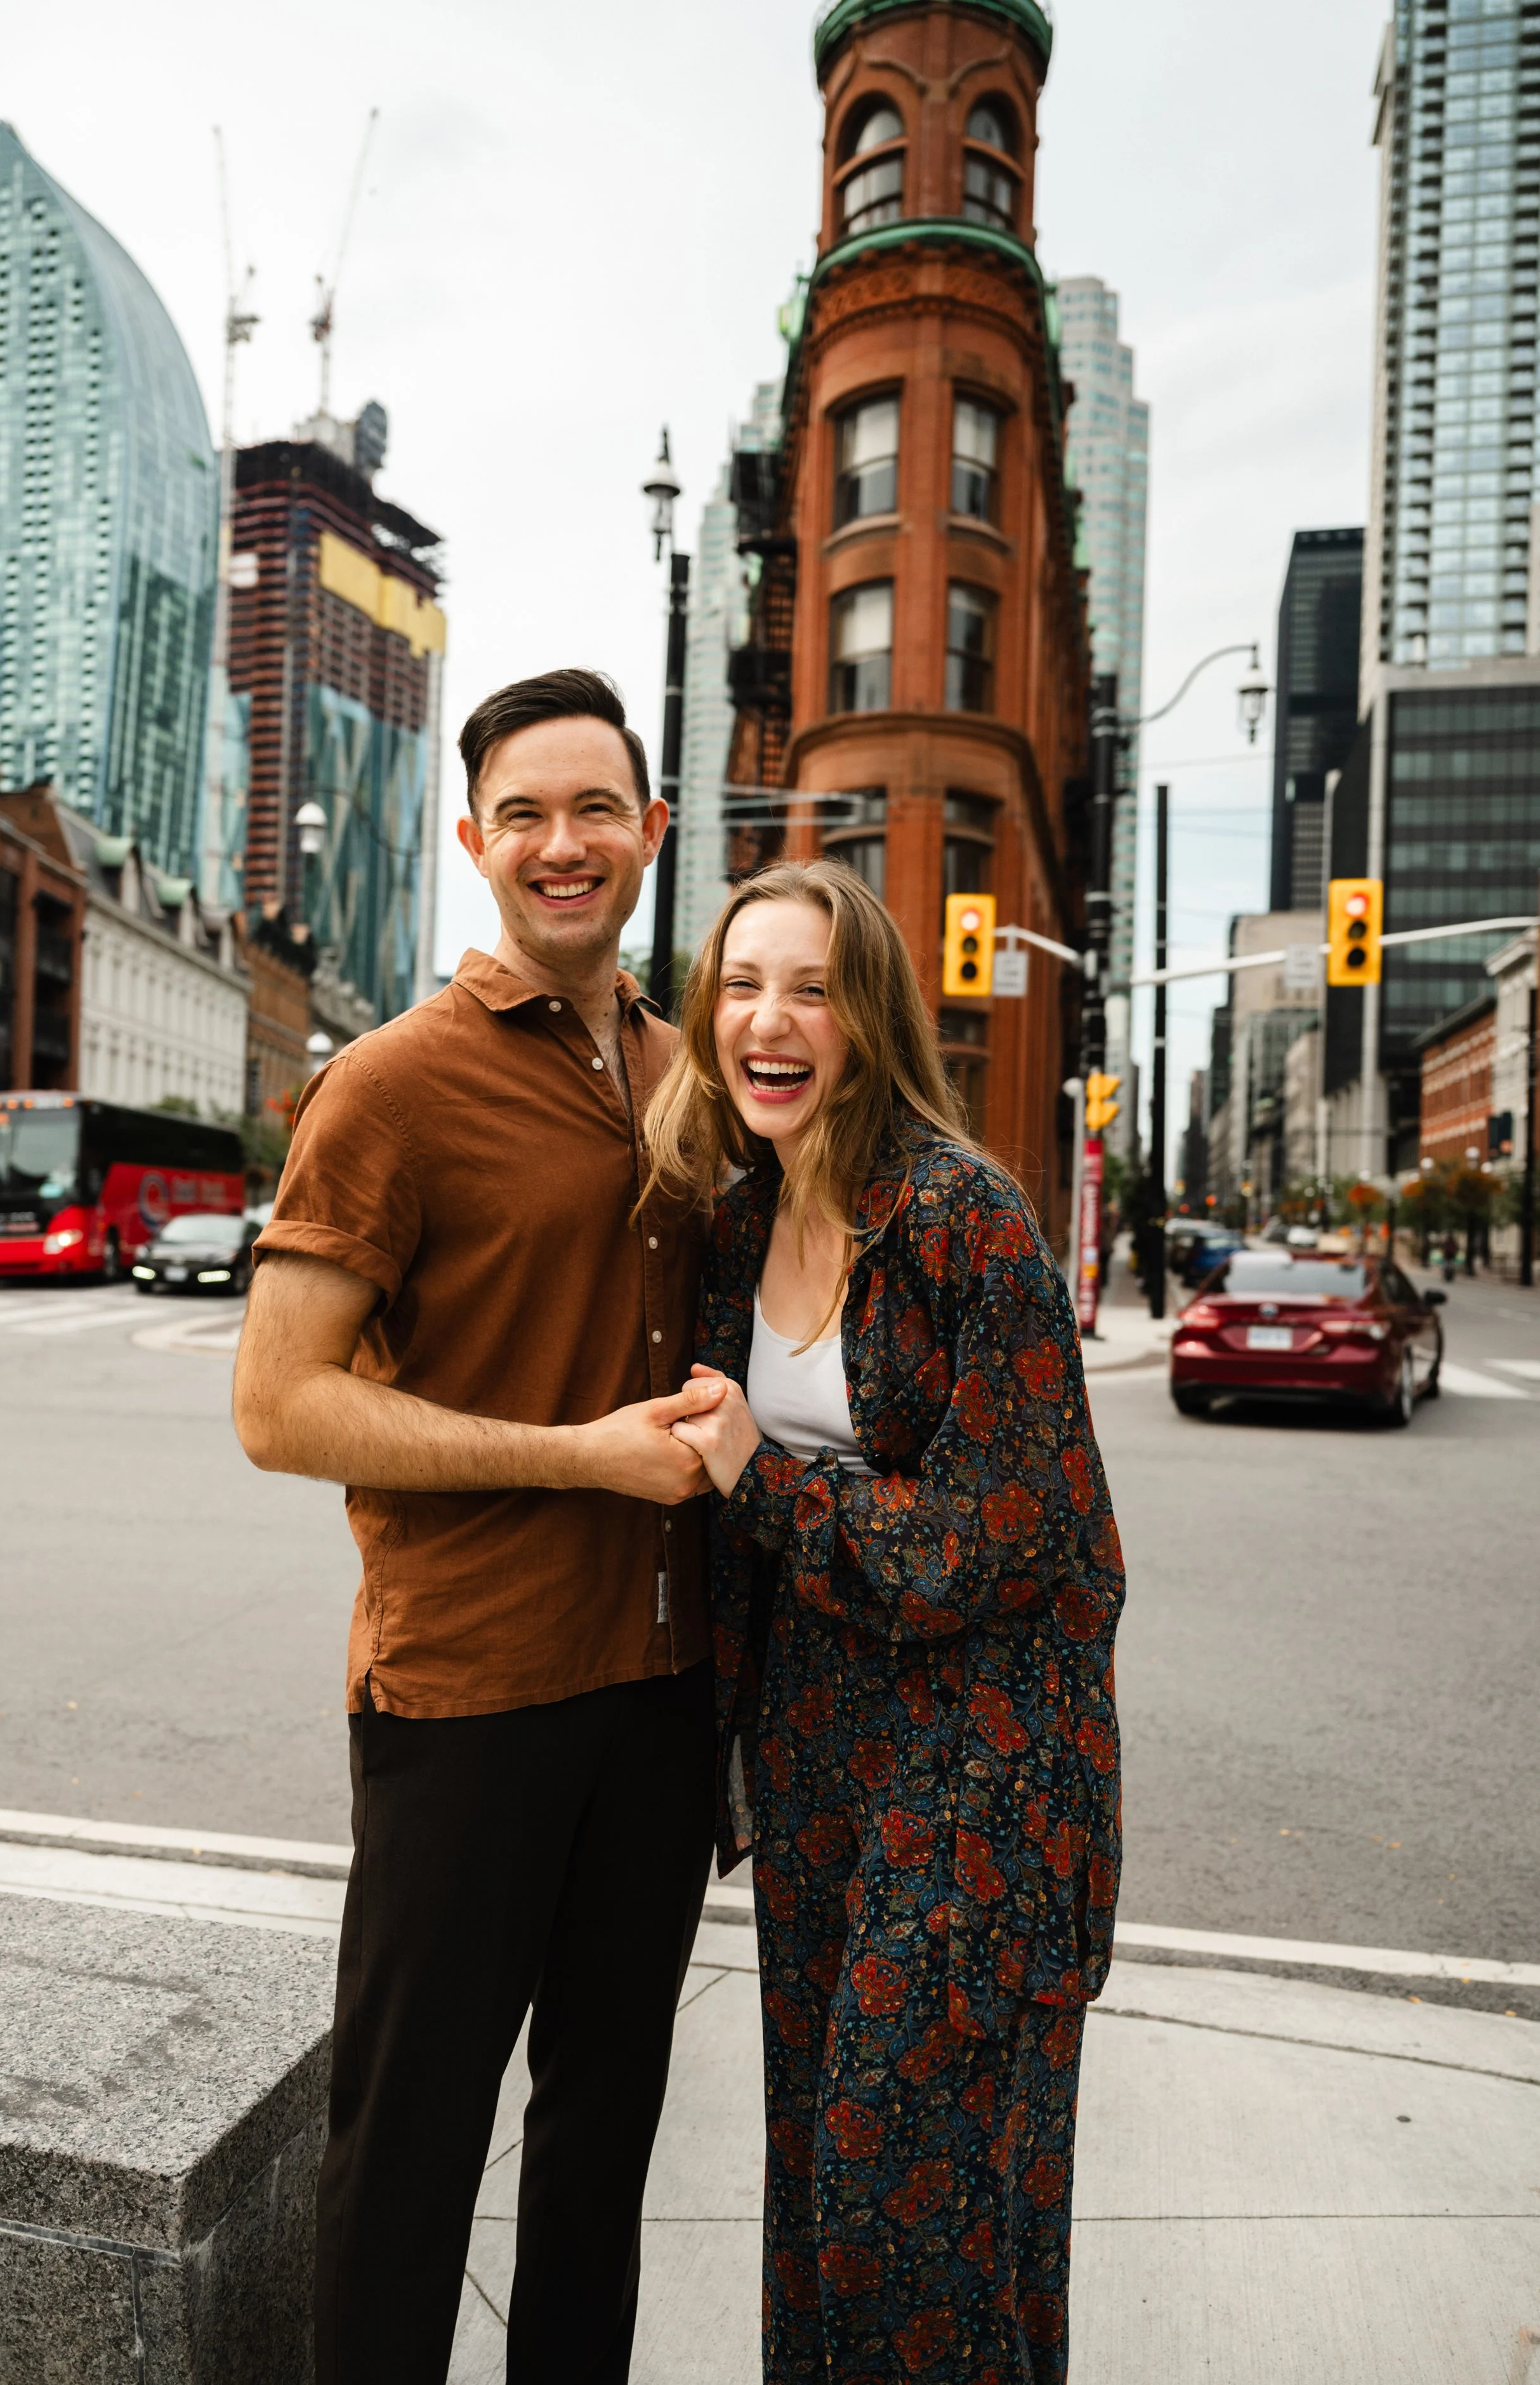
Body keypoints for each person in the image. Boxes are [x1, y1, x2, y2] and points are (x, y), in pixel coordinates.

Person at [232, 668, 730, 2385]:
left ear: (651, 831)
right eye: (522, 811)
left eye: (596, 806)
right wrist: (579, 1457)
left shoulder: (692, 1070)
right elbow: (277, 1402)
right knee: (411, 2150)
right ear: (471, 840)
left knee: (600, 2149)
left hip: (667, 1696)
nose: (561, 841)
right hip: (467, 1700)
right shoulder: (389, 1082)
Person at [643, 859, 1124, 2385]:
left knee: (921, 2195)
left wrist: (762, 1482)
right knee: (816, 2179)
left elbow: (990, 1544)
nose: (768, 1020)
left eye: (811, 987)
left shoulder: (966, 1223)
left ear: (870, 1018)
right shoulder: (737, 1223)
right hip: (814, 1763)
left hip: (984, 1770)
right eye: (739, 984)